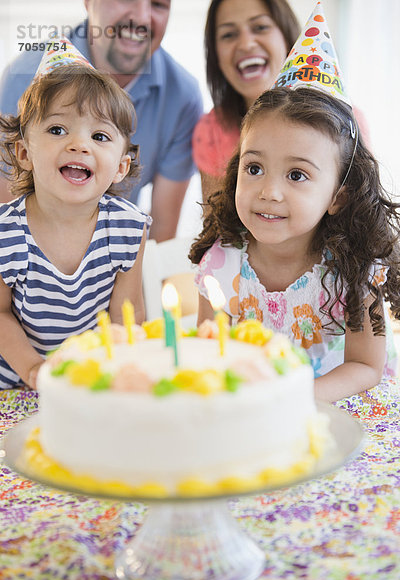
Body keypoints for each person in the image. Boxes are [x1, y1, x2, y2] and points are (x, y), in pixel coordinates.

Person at [190, 84, 400, 403]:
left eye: (296, 175)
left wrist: (291, 400)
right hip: (259, 409)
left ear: (337, 197)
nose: (269, 192)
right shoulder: (222, 264)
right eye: (255, 168)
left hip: (345, 406)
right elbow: (209, 353)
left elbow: (366, 366)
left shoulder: (357, 269)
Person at [0, 51, 152, 390]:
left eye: (99, 137)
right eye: (57, 129)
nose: (79, 145)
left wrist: (124, 369)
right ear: (24, 153)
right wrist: (34, 370)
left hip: (90, 379)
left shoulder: (128, 228)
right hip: (15, 382)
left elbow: (126, 314)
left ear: (120, 167)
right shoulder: (7, 234)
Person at [0, 0, 203, 241]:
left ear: (123, 167)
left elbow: (161, 234)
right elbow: (10, 219)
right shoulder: (24, 77)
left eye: (158, 4)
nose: (141, 17)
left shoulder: (182, 96)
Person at [192, 0, 370, 204]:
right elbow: (216, 225)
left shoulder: (346, 126)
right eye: (228, 34)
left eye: (260, 27)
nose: (246, 44)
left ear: (286, 37)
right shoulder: (212, 131)